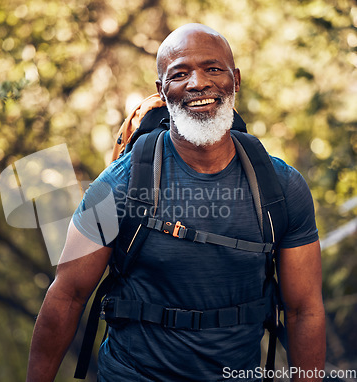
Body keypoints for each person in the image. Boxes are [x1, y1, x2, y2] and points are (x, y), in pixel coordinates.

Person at [27, 23, 326, 381]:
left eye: (213, 68)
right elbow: (67, 296)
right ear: (162, 90)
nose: (198, 83)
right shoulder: (118, 186)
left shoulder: (281, 187)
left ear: (236, 79)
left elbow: (304, 310)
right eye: (179, 74)